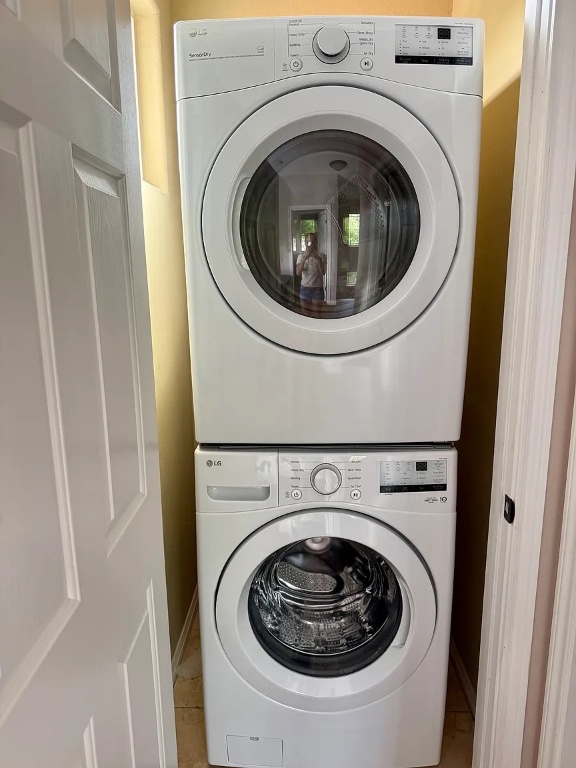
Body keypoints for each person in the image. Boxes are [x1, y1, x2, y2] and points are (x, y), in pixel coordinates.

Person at [295, 233, 326, 317]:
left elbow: (323, 272)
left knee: (317, 314)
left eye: (313, 241)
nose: (311, 244)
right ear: (305, 243)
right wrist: (304, 259)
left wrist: (318, 259)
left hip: (318, 289)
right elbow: (298, 273)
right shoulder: (300, 256)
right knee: (306, 315)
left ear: (316, 243)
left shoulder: (322, 256)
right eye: (309, 242)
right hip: (304, 288)